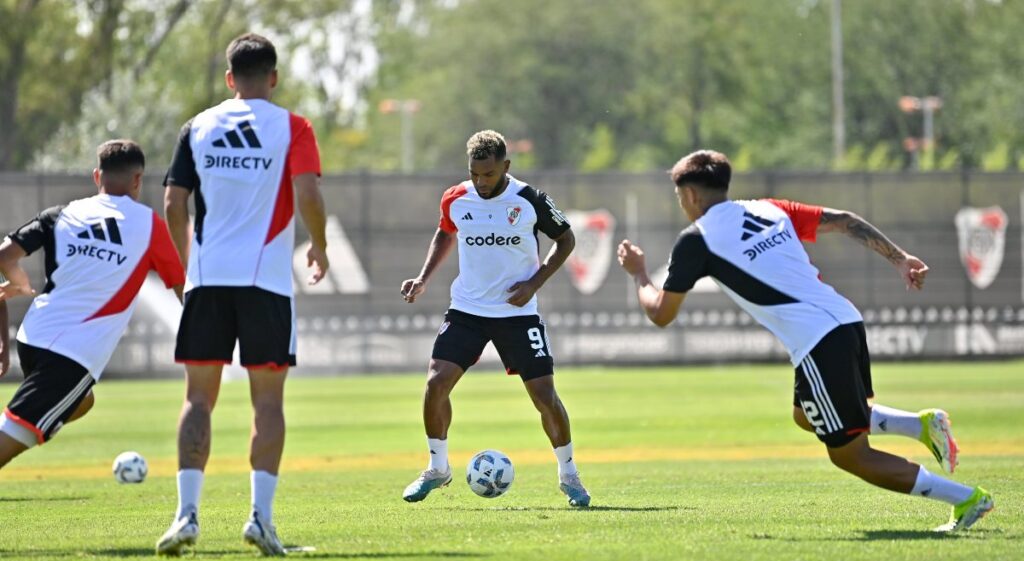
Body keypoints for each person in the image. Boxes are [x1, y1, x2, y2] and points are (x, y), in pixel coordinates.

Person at [617, 149, 993, 532]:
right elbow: (845, 221)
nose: (682, 205)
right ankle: (921, 426)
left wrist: (639, 274)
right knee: (805, 416)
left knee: (850, 456)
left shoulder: (696, 240)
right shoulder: (769, 209)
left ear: (691, 195)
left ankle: (966, 499)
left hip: (819, 341)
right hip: (844, 320)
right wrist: (899, 259)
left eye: (680, 198)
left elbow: (661, 313)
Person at [156, 33, 329, 557]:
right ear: (272, 77)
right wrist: (320, 247)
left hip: (207, 281)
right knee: (268, 402)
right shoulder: (292, 126)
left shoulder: (198, 126)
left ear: (229, 78)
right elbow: (308, 192)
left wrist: (193, 268)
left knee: (198, 399)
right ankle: (260, 520)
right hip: (266, 283)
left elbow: (172, 202)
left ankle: (186, 516)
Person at [399, 130, 590, 507]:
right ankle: (437, 467)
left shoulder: (529, 200)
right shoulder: (456, 197)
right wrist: (423, 278)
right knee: (436, 383)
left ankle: (569, 475)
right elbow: (445, 233)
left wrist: (534, 284)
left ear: (506, 166)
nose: (481, 182)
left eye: (488, 174)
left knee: (545, 397)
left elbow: (565, 240)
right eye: (474, 174)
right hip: (467, 309)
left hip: (516, 313)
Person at [0, 140, 184, 469]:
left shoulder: (62, 213)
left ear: (97, 175)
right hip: (70, 354)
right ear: (138, 180)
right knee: (19, 431)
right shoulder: (150, 226)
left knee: (82, 401)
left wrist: (19, 281)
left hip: (32, 337)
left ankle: (39, 418)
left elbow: (5, 256)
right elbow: (182, 287)